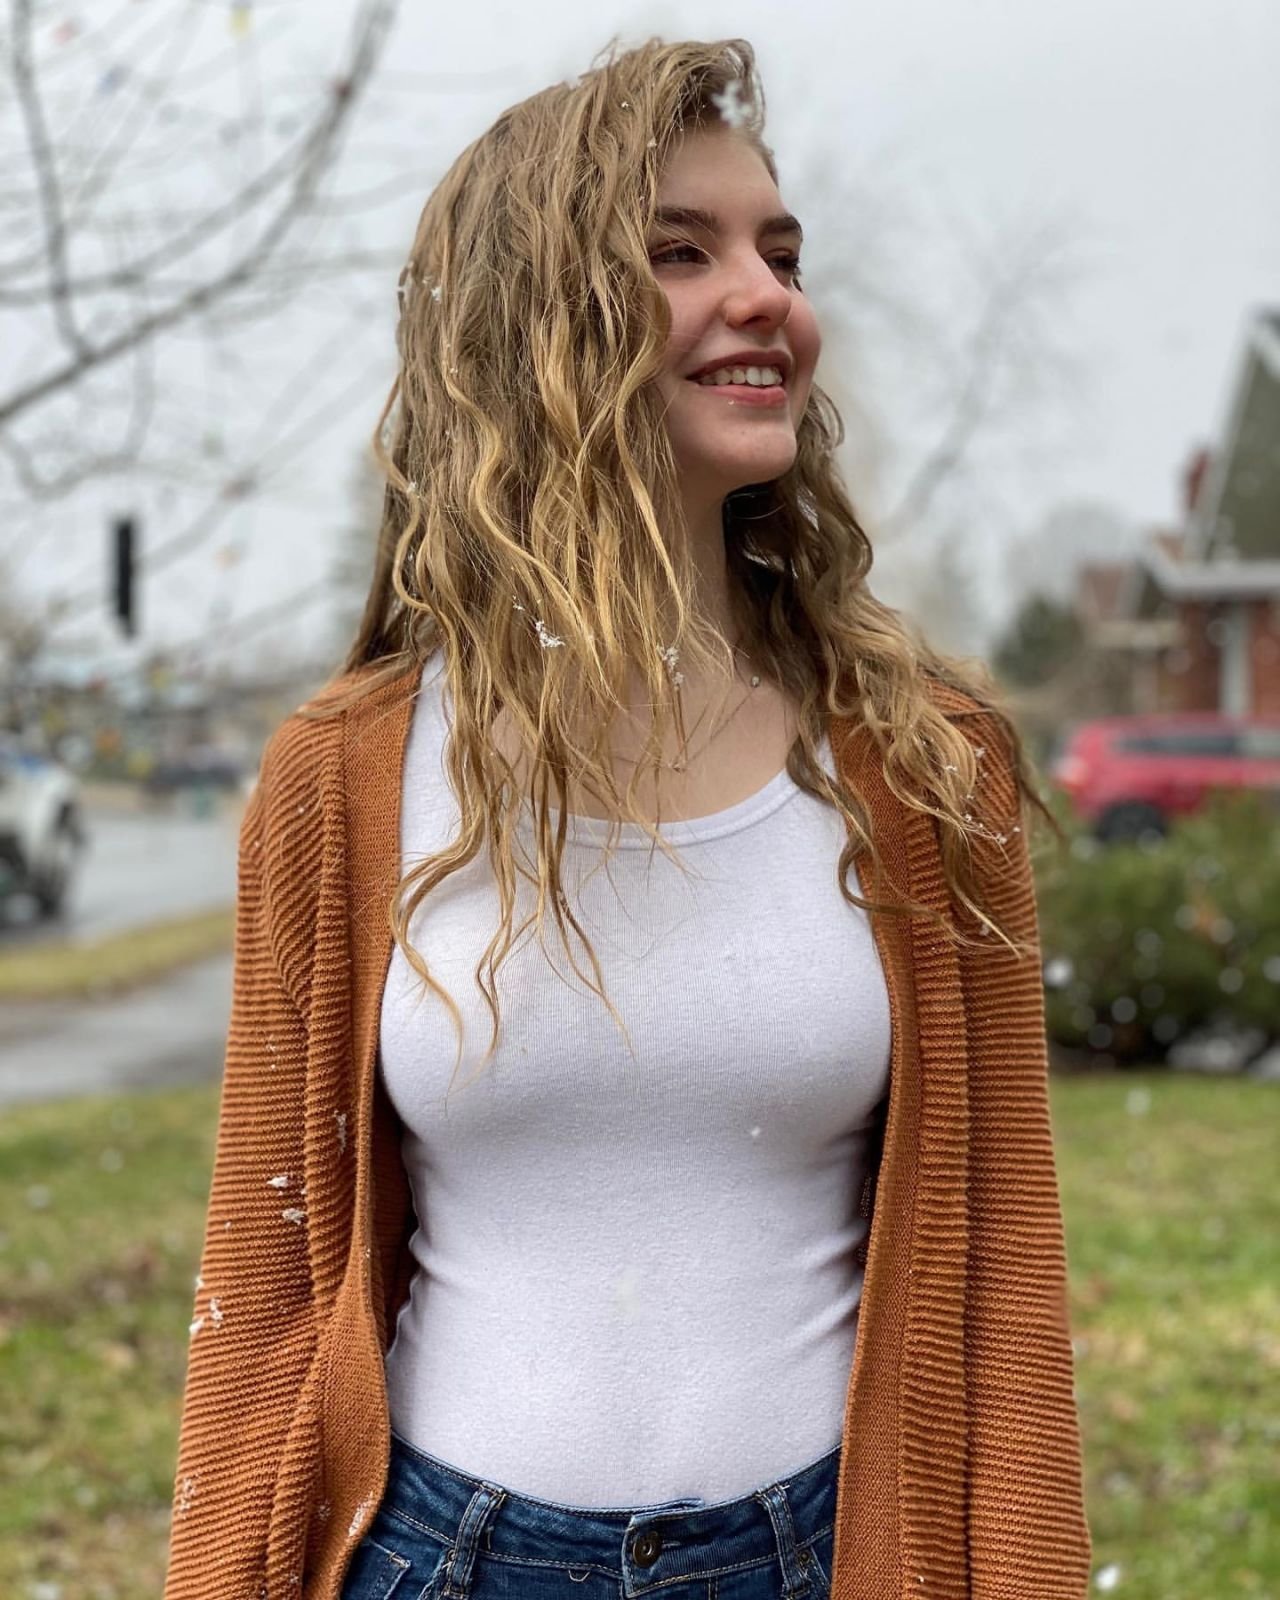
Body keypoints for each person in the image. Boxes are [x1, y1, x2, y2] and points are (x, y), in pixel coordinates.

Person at [162, 36, 1092, 1600]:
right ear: (533, 320)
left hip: (824, 1556)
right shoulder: (344, 776)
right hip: (444, 1560)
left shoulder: (929, 762)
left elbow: (999, 1288)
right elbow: (264, 1293)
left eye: (780, 254)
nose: (766, 296)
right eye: (682, 253)